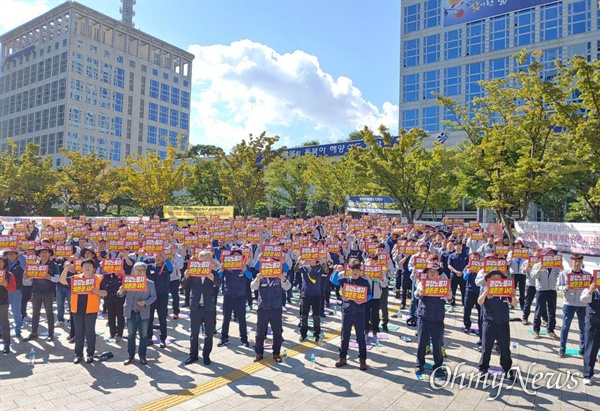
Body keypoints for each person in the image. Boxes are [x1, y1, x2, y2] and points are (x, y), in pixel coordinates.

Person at [59, 259, 107, 364]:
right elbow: (62, 280)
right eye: (85, 265)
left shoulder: (99, 278)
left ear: (93, 268)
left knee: (90, 332)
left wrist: (97, 291)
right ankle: (78, 355)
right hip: (77, 309)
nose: (87, 267)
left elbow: (105, 293)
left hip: (91, 310)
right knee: (78, 332)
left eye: (90, 265)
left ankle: (90, 354)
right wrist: (66, 268)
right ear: (81, 268)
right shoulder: (76, 278)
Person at [330, 260, 372, 371]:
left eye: (357, 270)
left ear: (360, 271)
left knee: (360, 337)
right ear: (350, 270)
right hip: (347, 310)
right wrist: (336, 271)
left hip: (359, 312)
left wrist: (362, 301)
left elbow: (370, 295)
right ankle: (342, 357)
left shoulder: (364, 281)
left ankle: (362, 360)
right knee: (345, 335)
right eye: (353, 270)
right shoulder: (345, 280)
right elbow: (334, 281)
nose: (355, 272)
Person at [477, 270, 518, 379]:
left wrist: (513, 295)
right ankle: (483, 369)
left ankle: (507, 369)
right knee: (486, 347)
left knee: (505, 348)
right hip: (489, 322)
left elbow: (515, 304)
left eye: (498, 277)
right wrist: (485, 293)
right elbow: (480, 302)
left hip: (503, 323)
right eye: (493, 277)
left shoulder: (506, 291)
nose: (496, 279)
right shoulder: (487, 289)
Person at [251, 256, 292, 363]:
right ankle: (259, 353)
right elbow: (253, 287)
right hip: (263, 308)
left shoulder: (280, 276)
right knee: (260, 332)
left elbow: (288, 287)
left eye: (273, 264)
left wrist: (283, 279)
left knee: (277, 332)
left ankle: (276, 353)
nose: (271, 266)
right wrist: (257, 279)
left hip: (276, 308)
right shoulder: (261, 276)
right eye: (268, 264)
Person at [414, 263, 451, 377]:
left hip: (437, 317)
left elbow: (449, 298)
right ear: (427, 272)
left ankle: (438, 366)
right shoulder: (422, 283)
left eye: (435, 271)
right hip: (424, 316)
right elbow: (416, 294)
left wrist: (449, 295)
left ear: (439, 273)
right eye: (430, 271)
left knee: (437, 343)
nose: (432, 273)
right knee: (422, 342)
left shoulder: (443, 284)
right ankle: (419, 364)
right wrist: (420, 292)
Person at [185, 250, 221, 365]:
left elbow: (219, 283)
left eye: (208, 257)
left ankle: (206, 355)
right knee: (194, 333)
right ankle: (193, 355)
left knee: (209, 334)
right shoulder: (193, 272)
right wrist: (186, 277)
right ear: (199, 260)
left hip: (208, 307)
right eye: (203, 257)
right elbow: (184, 286)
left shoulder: (213, 272)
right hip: (196, 307)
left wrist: (213, 279)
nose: (205, 259)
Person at [119, 262, 157, 365]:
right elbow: (120, 295)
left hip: (143, 312)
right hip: (131, 311)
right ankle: (131, 355)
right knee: (131, 335)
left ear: (145, 272)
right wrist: (121, 290)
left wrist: (145, 302)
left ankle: (142, 355)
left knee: (143, 335)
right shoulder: (128, 281)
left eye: (142, 270)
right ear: (133, 271)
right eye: (137, 270)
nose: (139, 272)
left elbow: (154, 297)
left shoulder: (150, 283)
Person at [218, 248, 251, 348]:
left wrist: (244, 270)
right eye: (233, 256)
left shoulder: (244, 266)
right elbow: (219, 276)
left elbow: (250, 277)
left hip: (240, 296)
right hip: (228, 295)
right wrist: (221, 269)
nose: (235, 258)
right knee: (226, 318)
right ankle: (224, 338)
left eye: (238, 256)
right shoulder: (227, 267)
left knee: (242, 318)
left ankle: (244, 339)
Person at [140, 249, 173, 348]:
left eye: (160, 256)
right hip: (151, 296)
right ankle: (149, 338)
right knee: (149, 317)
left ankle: (163, 338)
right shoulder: (149, 266)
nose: (158, 258)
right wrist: (141, 256)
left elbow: (171, 268)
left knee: (162, 317)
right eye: (156, 256)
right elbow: (138, 267)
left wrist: (166, 257)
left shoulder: (166, 267)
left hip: (162, 295)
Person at [25, 246, 59, 341]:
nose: (44, 254)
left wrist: (50, 278)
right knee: (35, 313)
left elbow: (58, 278)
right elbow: (29, 281)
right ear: (39, 255)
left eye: (46, 252)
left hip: (48, 292)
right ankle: (34, 332)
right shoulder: (34, 265)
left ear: (49, 254)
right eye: (42, 252)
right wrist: (26, 277)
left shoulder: (53, 265)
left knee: (49, 313)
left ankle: (51, 334)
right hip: (36, 292)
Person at [557, 254, 588, 358]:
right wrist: (565, 288)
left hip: (582, 304)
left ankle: (582, 349)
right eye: (575, 261)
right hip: (569, 303)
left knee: (583, 327)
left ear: (582, 261)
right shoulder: (565, 273)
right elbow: (557, 287)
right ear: (571, 261)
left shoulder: (587, 275)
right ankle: (562, 348)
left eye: (579, 261)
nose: (577, 263)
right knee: (565, 326)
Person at [531, 249, 560, 340]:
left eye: (552, 255)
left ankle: (551, 330)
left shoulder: (556, 266)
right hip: (541, 290)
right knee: (539, 311)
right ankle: (536, 331)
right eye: (548, 254)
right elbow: (533, 276)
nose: (551, 256)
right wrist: (539, 269)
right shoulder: (537, 265)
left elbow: (562, 277)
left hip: (552, 290)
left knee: (552, 311)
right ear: (543, 256)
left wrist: (562, 268)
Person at [298, 257, 325, 343]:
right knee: (304, 316)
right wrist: (299, 261)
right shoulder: (305, 267)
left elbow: (326, 270)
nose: (311, 260)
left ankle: (317, 334)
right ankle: (303, 334)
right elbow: (296, 269)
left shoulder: (319, 268)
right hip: (305, 295)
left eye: (313, 259)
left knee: (316, 316)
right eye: (310, 259)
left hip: (316, 295)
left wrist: (322, 262)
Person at [580, 277, 600, 385]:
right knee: (590, 351)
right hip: (592, 324)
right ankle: (588, 374)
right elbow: (583, 299)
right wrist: (590, 290)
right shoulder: (589, 289)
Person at [3, 248, 24, 338]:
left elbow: (24, 264)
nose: (11, 255)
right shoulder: (4, 264)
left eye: (13, 254)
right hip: (4, 290)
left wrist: (20, 253)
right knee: (3, 311)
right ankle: (2, 330)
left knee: (16, 311)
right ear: (6, 256)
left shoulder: (20, 264)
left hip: (16, 290)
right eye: (9, 254)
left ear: (16, 255)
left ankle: (18, 329)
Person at [463, 253, 482, 348]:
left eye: (476, 258)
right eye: (472, 258)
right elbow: (464, 278)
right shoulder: (467, 267)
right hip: (469, 291)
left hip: (479, 292)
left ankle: (480, 328)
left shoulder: (482, 267)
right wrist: (468, 272)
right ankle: (467, 326)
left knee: (480, 311)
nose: (474, 259)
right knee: (467, 310)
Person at [100, 269, 125, 342]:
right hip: (109, 299)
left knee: (120, 317)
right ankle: (112, 333)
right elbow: (103, 284)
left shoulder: (122, 275)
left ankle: (120, 334)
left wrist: (122, 273)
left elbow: (126, 283)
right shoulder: (107, 276)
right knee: (111, 316)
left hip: (120, 299)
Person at [0, 254, 17, 353]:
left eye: (1, 261)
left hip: (2, 302)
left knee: (4, 323)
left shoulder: (9, 274)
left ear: (4, 263)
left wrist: (6, 285)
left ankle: (7, 343)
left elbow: (13, 288)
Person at [448, 241, 469, 308]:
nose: (458, 247)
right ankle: (452, 305)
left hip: (463, 276)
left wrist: (462, 272)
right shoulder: (451, 256)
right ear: (454, 247)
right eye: (457, 245)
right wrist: (456, 271)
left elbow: (467, 265)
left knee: (463, 291)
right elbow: (449, 265)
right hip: (453, 275)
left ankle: (463, 305)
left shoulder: (465, 256)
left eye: (460, 245)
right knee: (453, 291)